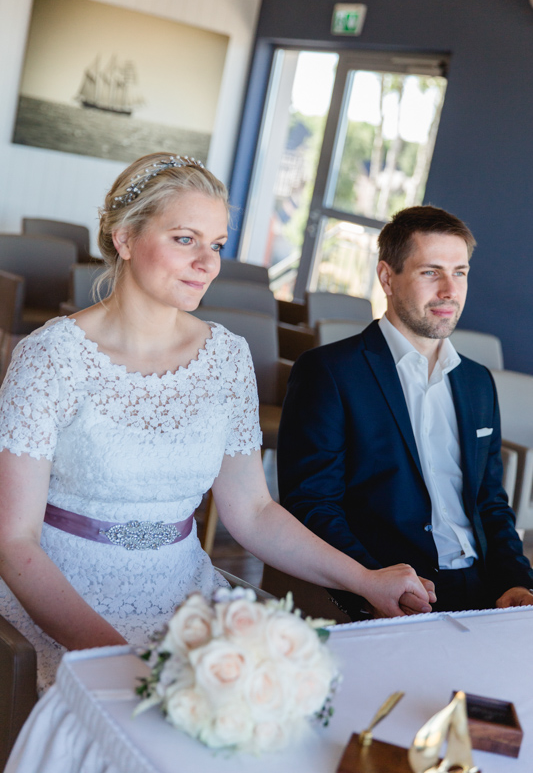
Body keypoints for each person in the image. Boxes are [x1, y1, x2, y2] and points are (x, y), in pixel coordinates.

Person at [0, 154, 431, 692]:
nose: (207, 262)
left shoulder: (227, 358)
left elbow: (251, 511)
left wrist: (368, 581)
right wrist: (119, 662)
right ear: (124, 238)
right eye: (185, 239)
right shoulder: (51, 357)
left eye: (218, 244)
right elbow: (14, 541)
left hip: (188, 601)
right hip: (64, 605)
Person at [278, 205, 533, 619]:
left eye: (460, 272)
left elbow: (490, 501)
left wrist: (515, 581)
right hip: (389, 590)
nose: (450, 290)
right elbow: (311, 504)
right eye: (431, 272)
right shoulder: (329, 371)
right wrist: (373, 583)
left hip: (487, 588)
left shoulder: (477, 381)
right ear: (387, 278)